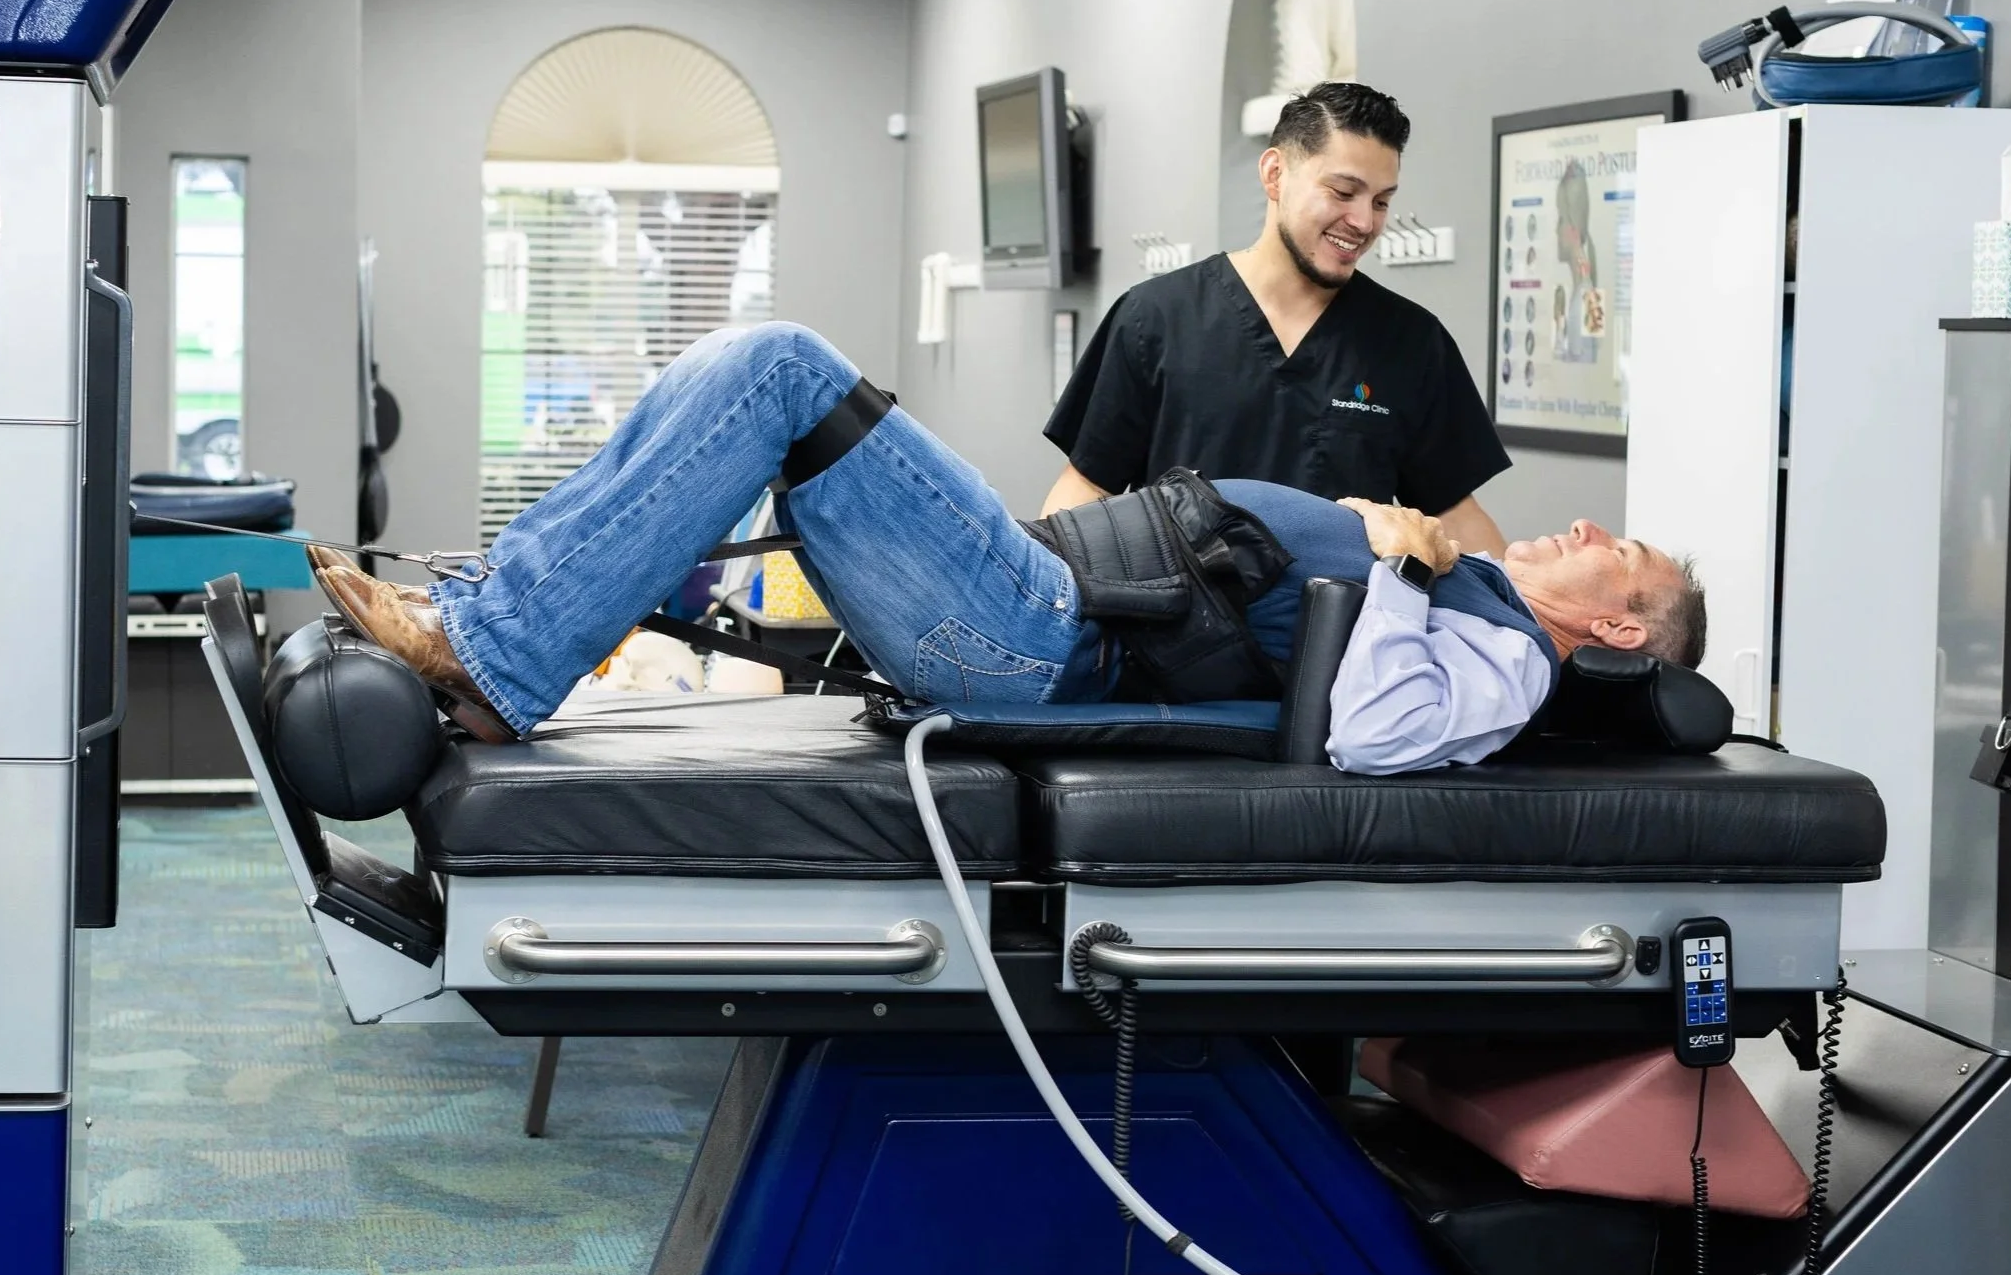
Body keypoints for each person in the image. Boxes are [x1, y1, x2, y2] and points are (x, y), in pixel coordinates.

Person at [312, 322, 1701, 776]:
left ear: (1620, 630)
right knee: (776, 393)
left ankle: (493, 645)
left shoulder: (1502, 666)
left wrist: (1396, 559)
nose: (1582, 526)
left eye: (1614, 551)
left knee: (785, 368)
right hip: (1039, 587)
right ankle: (502, 625)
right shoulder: (1479, 596)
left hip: (1035, 638)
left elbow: (1373, 731)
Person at [1042, 83, 1512, 559]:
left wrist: (1522, 621)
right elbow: (1087, 485)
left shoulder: (1411, 342)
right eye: (1343, 191)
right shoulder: (1155, 318)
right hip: (1182, 625)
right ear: (1274, 174)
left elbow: (1455, 513)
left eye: (1381, 201)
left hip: (1345, 629)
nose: (1364, 222)